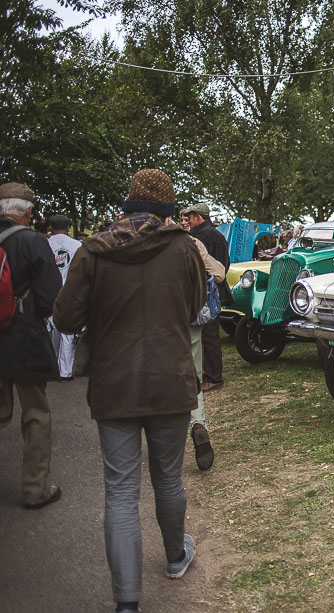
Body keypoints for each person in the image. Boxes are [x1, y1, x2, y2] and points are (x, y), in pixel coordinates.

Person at [53, 169, 206, 613]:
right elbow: (196, 305)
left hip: (114, 382)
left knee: (120, 491)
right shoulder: (183, 247)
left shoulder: (94, 250)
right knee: (168, 477)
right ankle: (175, 555)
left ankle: (126, 603)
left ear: (128, 205)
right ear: (167, 209)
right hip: (170, 379)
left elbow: (65, 318)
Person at [0, 182, 63, 510]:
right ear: (26, 212)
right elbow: (51, 298)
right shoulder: (32, 241)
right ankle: (36, 489)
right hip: (24, 337)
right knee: (36, 413)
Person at [179, 202, 229, 392]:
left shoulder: (204, 235)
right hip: (212, 290)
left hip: (209, 292)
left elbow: (208, 266)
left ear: (198, 217)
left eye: (190, 217)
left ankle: (214, 377)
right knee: (207, 335)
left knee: (209, 336)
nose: (187, 221)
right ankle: (209, 373)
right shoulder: (213, 233)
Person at [46, 214, 82, 380]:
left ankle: (52, 367)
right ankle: (65, 371)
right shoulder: (77, 245)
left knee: (50, 330)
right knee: (67, 332)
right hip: (69, 291)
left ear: (51, 228)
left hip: (48, 291)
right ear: (68, 227)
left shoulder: (45, 244)